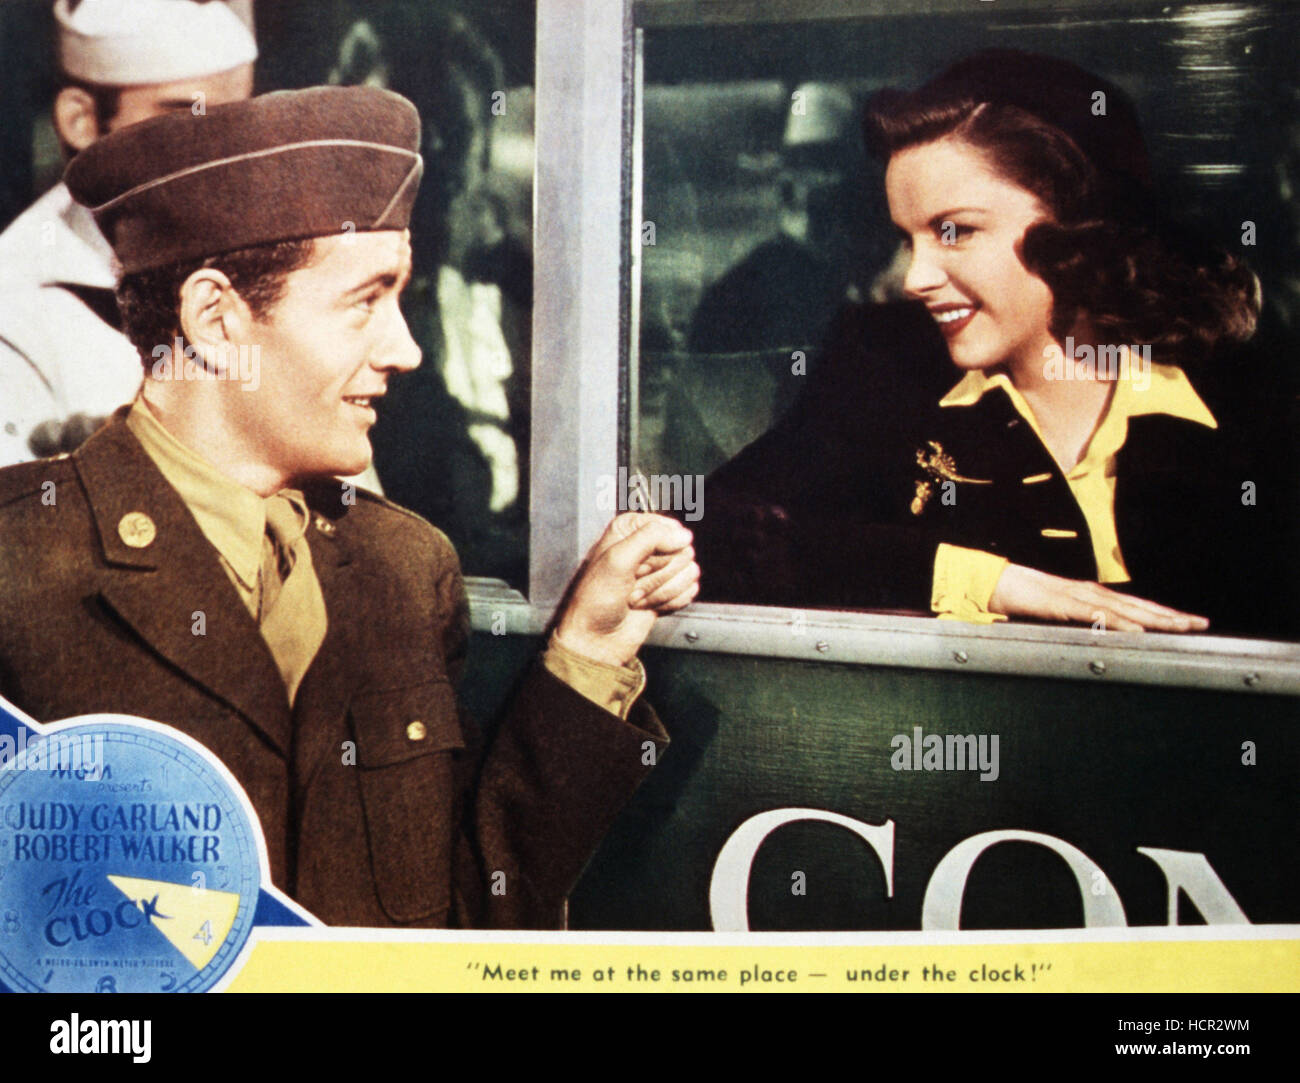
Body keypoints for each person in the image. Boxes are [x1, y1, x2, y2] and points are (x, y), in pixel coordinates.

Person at [0, 85, 700, 928]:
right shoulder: (20, 564)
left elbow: (461, 920)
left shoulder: (406, 569)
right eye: (365, 300)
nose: (405, 349)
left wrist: (586, 656)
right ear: (216, 320)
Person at [693, 49, 1295, 638]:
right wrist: (988, 583)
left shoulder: (1250, 397)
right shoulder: (881, 366)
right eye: (908, 238)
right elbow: (705, 532)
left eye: (955, 232)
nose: (914, 277)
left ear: (1080, 223)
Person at [0, 0, 258, 466]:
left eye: (235, 124)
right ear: (81, 120)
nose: (217, 157)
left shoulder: (271, 257)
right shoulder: (13, 301)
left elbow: (352, 509)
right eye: (183, 120)